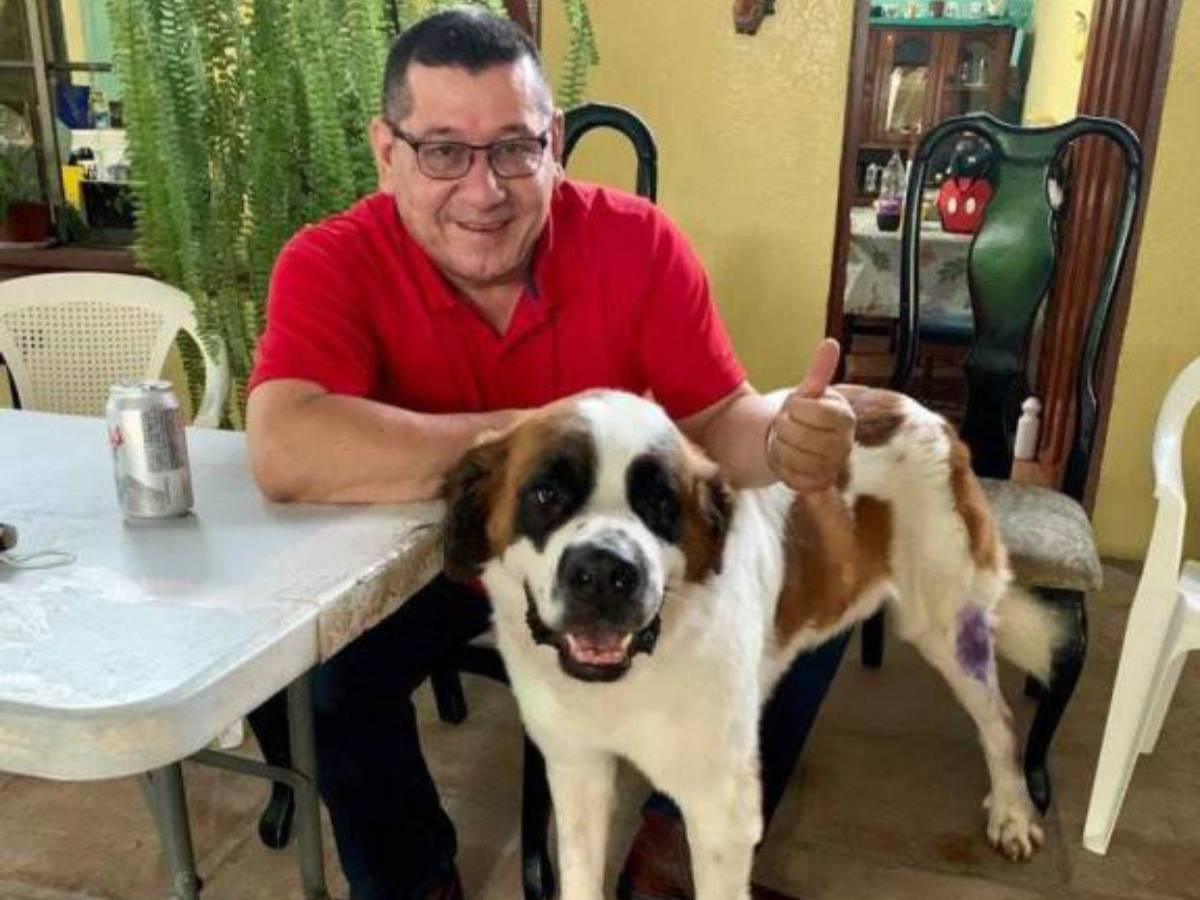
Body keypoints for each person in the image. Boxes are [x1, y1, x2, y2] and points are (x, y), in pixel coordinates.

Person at [245, 8, 856, 900]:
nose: (483, 190)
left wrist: (780, 438)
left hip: (619, 539)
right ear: (386, 152)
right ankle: (414, 884)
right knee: (325, 680)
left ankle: (671, 855)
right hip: (444, 555)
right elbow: (285, 444)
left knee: (815, 566)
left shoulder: (638, 242)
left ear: (554, 143)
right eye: (442, 151)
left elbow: (716, 418)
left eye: (513, 148)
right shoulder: (331, 261)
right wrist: (539, 442)